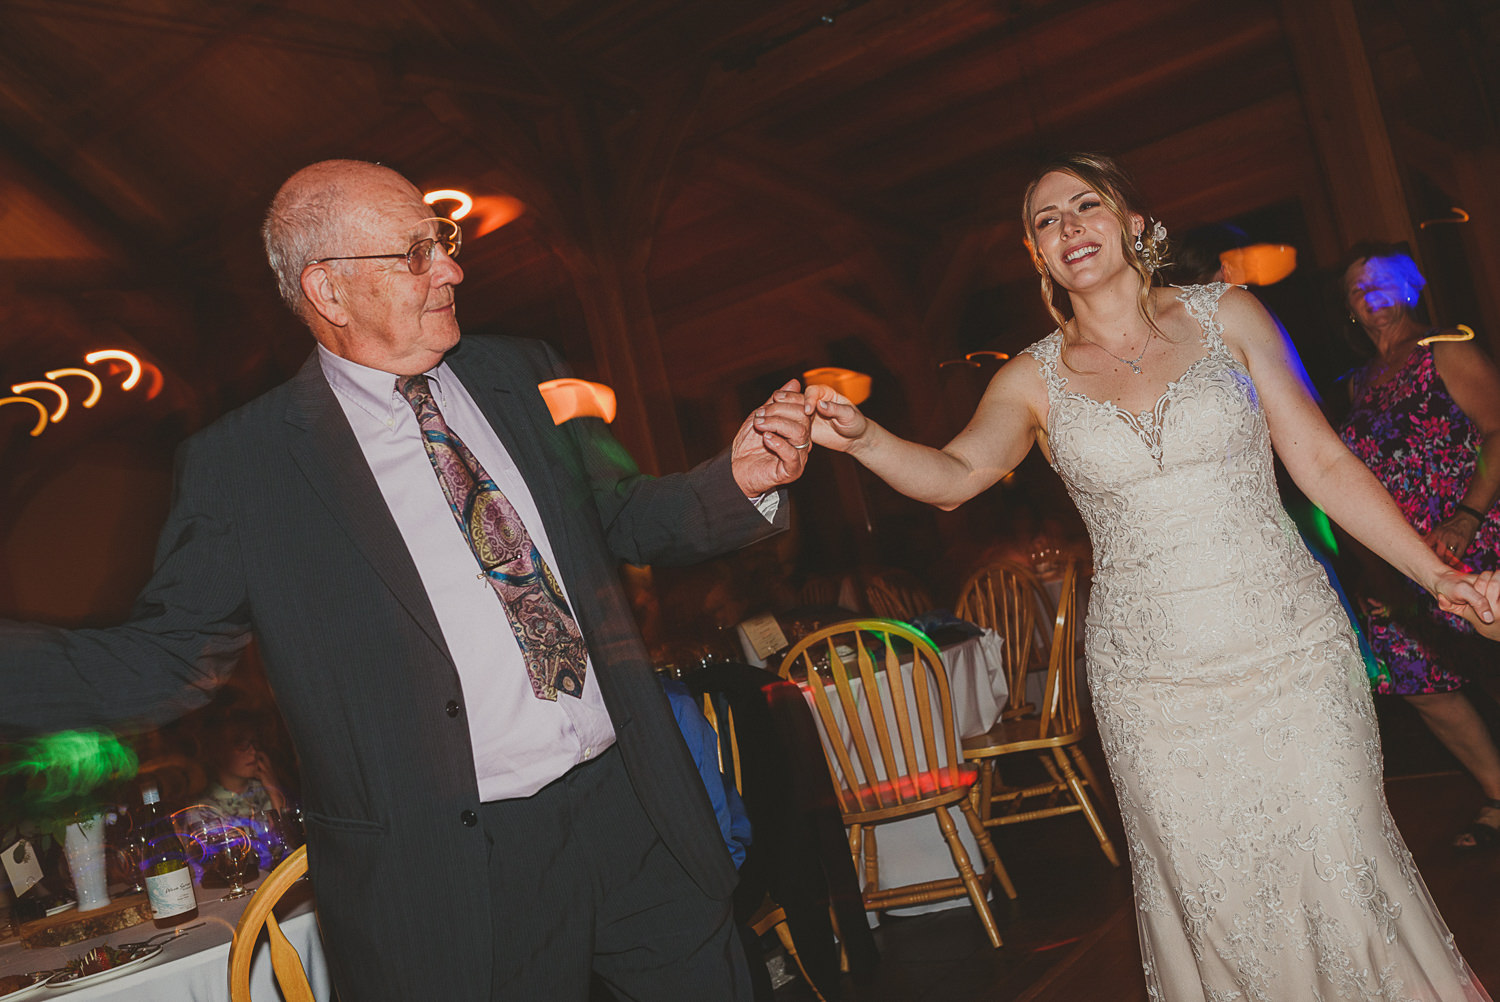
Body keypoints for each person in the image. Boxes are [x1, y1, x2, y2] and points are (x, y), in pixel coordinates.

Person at [0, 159, 815, 1001]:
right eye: (417, 252)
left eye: (445, 242)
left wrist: (736, 481)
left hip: (631, 808)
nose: (453, 269)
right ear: (329, 290)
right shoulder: (249, 465)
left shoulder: (516, 373)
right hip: (463, 866)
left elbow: (618, 514)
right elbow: (163, 658)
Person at [804, 152, 1493, 999]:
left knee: (1339, 857)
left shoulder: (1230, 316)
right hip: (1152, 683)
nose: (1068, 227)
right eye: (1046, 221)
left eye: (1084, 206)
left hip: (1290, 650)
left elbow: (1320, 459)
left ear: (1134, 226)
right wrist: (865, 439)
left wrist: (1436, 573)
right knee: (1220, 894)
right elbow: (953, 479)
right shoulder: (1030, 378)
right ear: (1038, 256)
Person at [1334, 242, 1500, 850]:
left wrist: (1466, 516)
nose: (1371, 294)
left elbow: (1498, 428)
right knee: (1418, 679)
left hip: (1471, 537)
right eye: (1358, 287)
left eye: (1384, 281)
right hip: (1402, 558)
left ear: (1414, 284)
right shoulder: (1358, 382)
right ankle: (1497, 793)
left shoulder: (1444, 348)